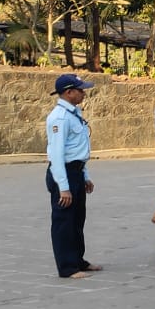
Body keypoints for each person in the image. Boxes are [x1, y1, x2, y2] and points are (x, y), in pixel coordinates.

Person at [44, 72, 98, 279]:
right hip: (63, 174)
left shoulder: (74, 113)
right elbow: (57, 155)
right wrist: (63, 187)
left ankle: (78, 260)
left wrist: (85, 175)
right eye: (80, 89)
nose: (83, 93)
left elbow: (77, 149)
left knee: (77, 220)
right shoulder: (59, 118)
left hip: (75, 171)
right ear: (68, 92)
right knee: (64, 221)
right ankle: (67, 267)